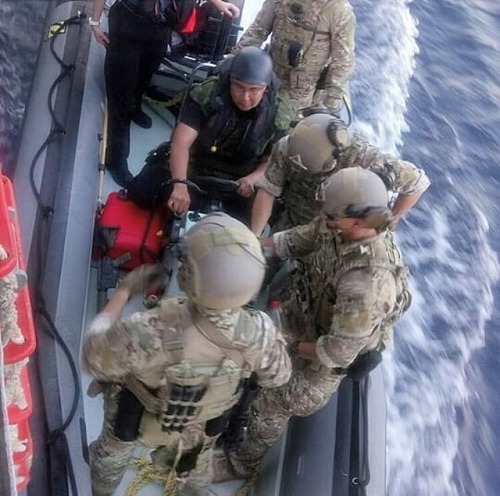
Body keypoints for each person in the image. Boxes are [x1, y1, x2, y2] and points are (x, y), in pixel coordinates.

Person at [213, 167, 415, 482]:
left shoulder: (367, 284)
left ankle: (241, 463)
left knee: (272, 403)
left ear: (358, 223)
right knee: (244, 348)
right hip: (303, 312)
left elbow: (335, 353)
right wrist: (253, 244)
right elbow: (299, 239)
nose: (322, 216)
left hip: (323, 357)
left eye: (329, 214)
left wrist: (285, 349)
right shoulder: (337, 225)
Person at [82, 212, 292, 496]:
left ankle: (101, 489)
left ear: (188, 277)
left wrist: (125, 291)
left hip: (139, 417)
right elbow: (278, 376)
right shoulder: (260, 332)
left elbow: (93, 358)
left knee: (111, 454)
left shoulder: (150, 330)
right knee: (196, 468)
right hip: (203, 425)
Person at [90, 0, 241, 188]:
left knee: (145, 76)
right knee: (121, 98)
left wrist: (219, 4)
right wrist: (95, 23)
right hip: (128, 24)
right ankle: (116, 159)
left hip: (161, 26)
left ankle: (136, 108)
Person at [166, 46, 295, 225]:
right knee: (149, 196)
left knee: (252, 224)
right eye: (239, 87)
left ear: (265, 89)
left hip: (241, 182)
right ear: (230, 81)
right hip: (195, 169)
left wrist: (253, 178)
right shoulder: (208, 94)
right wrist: (180, 184)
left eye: (254, 90)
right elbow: (181, 143)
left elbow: (272, 161)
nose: (245, 97)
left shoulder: (278, 113)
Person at [250, 112, 431, 236]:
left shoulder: (366, 160)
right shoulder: (289, 146)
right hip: (293, 218)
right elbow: (268, 191)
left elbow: (418, 182)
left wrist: (392, 217)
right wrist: (255, 238)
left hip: (336, 231)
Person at [233, 0, 355, 114]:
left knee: (287, 128)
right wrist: (232, 61)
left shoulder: (337, 9)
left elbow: (343, 60)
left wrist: (330, 103)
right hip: (268, 77)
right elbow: (257, 31)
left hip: (302, 93)